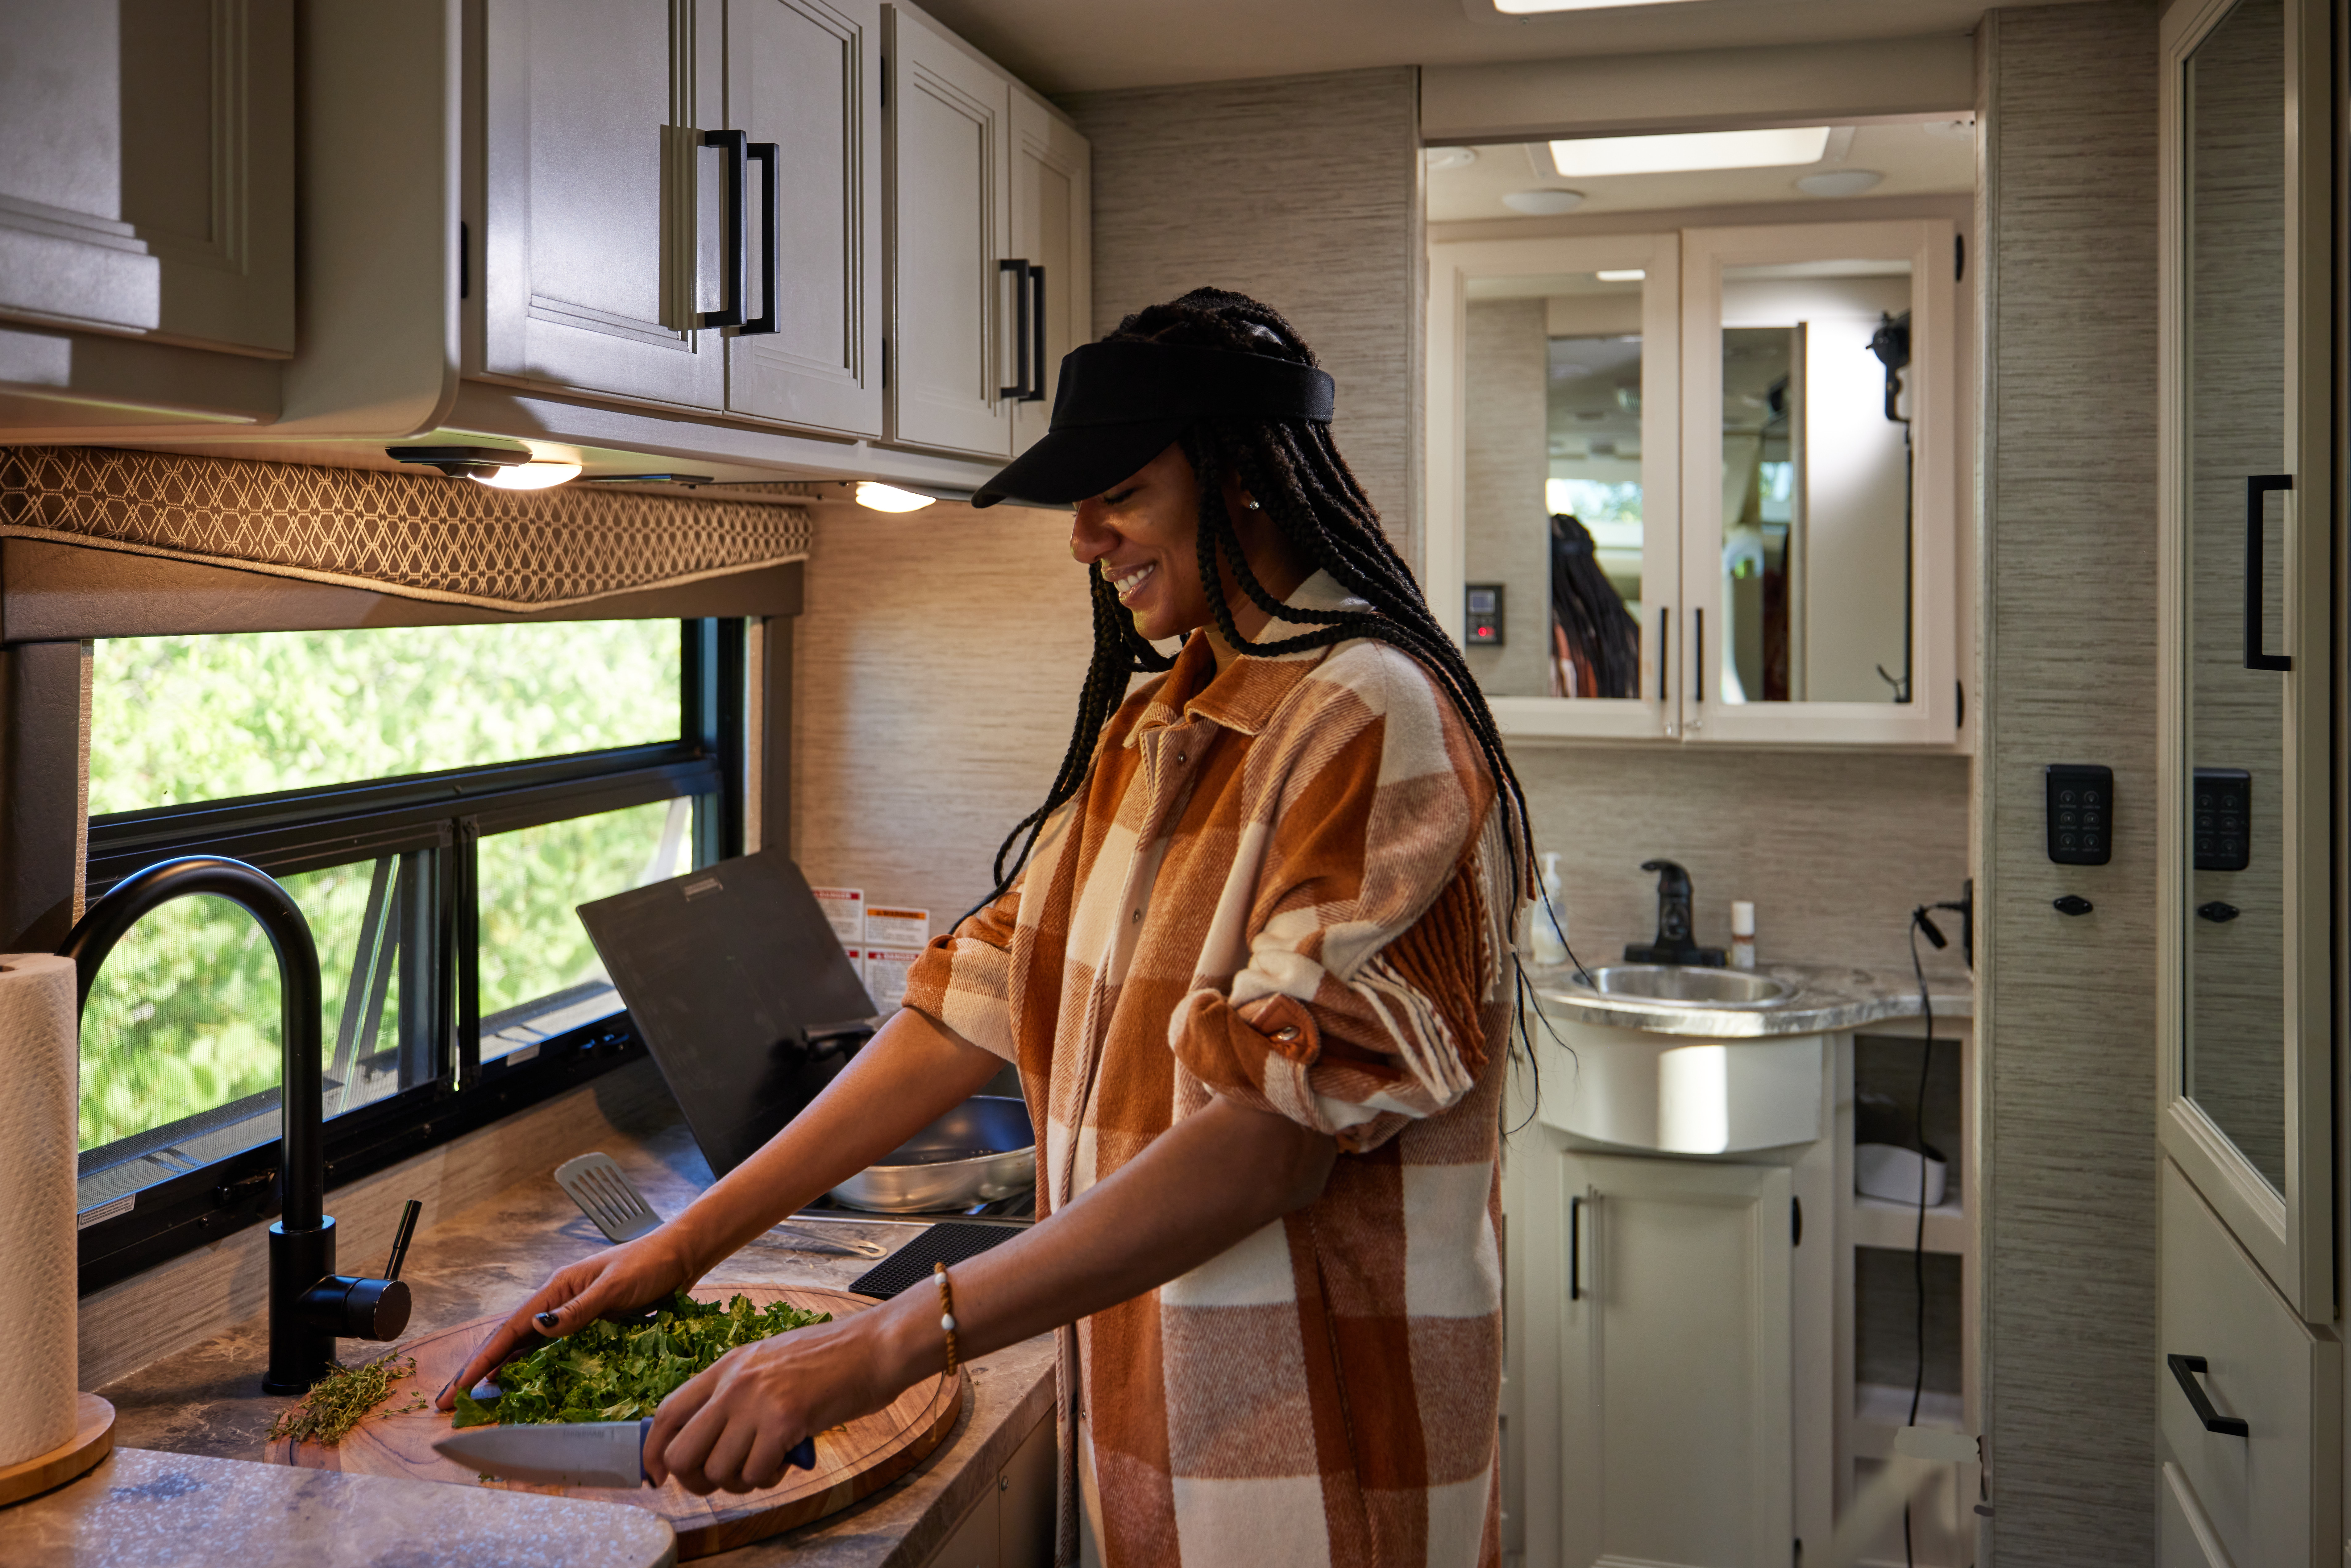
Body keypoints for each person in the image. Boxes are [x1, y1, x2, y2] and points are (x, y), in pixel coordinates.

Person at [443, 288, 1535, 1568]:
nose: (1085, 537)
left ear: (1238, 472)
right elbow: (971, 1002)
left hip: (1319, 1468)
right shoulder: (1160, 724)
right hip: (1160, 1443)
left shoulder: (1370, 715)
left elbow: (1267, 1146)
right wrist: (682, 1246)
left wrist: (889, 1336)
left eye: (1118, 486)